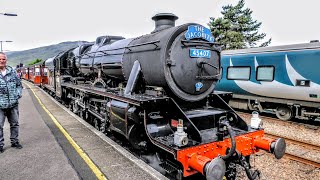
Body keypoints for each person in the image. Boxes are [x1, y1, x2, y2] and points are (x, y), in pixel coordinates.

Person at [0, 52, 23, 153]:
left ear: (6, 60)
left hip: (13, 104)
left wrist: (18, 94)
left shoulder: (12, 72)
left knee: (15, 124)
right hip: (0, 105)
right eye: (0, 59)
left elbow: (19, 85)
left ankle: (14, 141)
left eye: (3, 59)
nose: (2, 61)